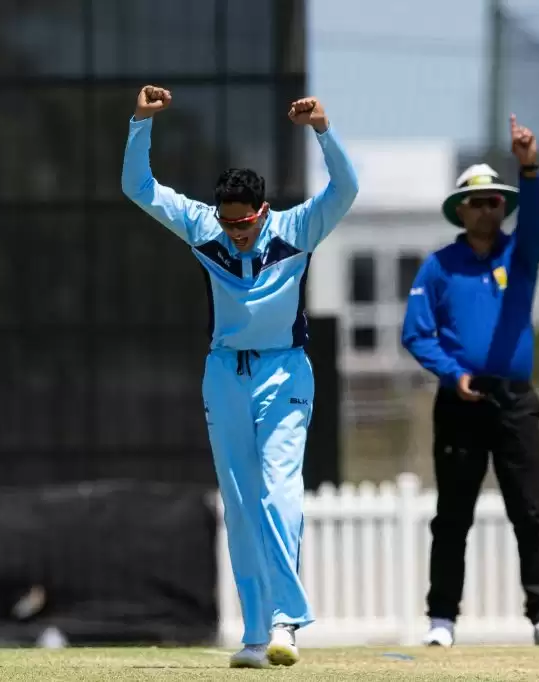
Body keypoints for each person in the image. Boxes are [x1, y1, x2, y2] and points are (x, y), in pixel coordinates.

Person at [121, 86, 359, 668]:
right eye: (228, 222)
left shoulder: (296, 229)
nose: (236, 233)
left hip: (285, 373)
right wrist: (139, 123)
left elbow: (345, 190)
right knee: (240, 504)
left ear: (262, 211)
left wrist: (324, 131)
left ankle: (286, 623)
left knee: (279, 493)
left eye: (244, 222)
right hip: (225, 375)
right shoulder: (205, 228)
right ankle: (255, 636)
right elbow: (139, 189)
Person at [400, 114, 539, 647]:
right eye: (476, 201)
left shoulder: (520, 256)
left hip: (515, 402)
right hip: (460, 401)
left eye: (495, 201)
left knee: (530, 514)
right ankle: (442, 620)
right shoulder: (439, 266)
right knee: (452, 517)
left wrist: (530, 169)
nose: (486, 208)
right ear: (461, 209)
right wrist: (453, 375)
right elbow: (416, 334)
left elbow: (536, 222)